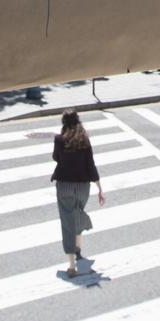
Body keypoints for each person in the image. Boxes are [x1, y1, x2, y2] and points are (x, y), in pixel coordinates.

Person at [51, 109, 105, 277]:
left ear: (63, 122)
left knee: (67, 221)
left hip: (65, 186)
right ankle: (78, 248)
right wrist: (99, 188)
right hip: (83, 187)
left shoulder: (59, 139)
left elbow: (56, 158)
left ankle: (72, 265)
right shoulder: (85, 139)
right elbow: (91, 164)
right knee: (77, 214)